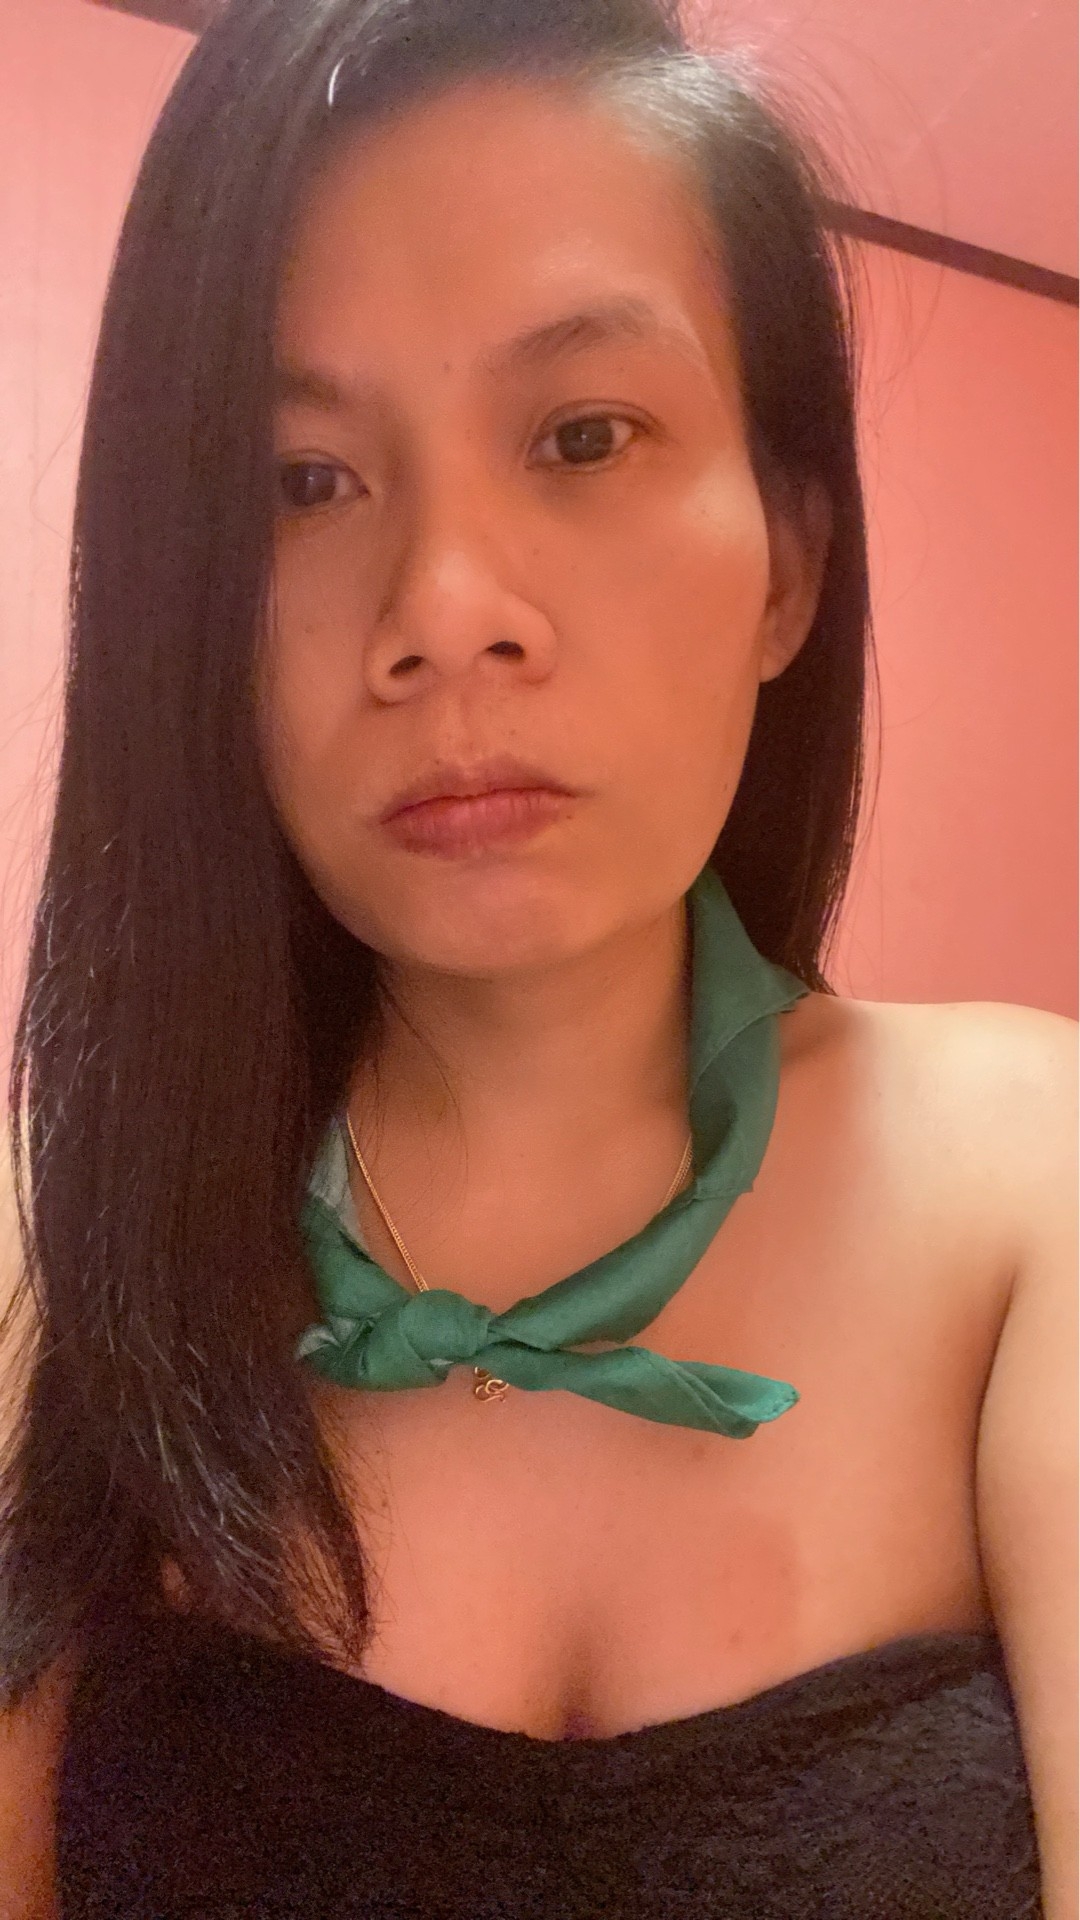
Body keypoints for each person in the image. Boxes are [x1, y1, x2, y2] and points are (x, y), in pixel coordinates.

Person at [1, 0, 1075, 1913]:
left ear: (789, 563)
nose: (443, 610)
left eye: (585, 435)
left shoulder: (1032, 1191)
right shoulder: (58, 1267)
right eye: (302, 480)